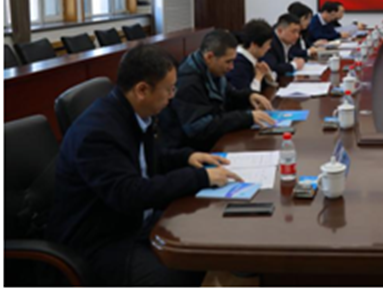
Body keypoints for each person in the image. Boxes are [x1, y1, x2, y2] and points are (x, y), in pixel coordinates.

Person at [48, 45, 243, 286]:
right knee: (181, 268)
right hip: (100, 241)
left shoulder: (132, 113)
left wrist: (187, 157)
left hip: (133, 222)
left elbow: (146, 159)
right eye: (169, 89)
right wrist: (200, 178)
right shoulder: (98, 133)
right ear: (142, 90)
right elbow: (131, 193)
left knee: (205, 234)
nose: (172, 96)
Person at [161, 30, 275, 152]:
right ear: (209, 57)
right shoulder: (188, 82)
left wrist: (249, 96)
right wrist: (246, 118)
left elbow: (228, 95)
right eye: (228, 61)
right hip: (192, 151)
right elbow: (200, 128)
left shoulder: (213, 70)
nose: (232, 67)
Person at [227, 19, 277, 91]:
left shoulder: (255, 58)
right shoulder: (238, 64)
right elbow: (246, 95)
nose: (269, 47)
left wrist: (268, 76)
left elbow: (272, 85)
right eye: (268, 44)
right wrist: (258, 77)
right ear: (254, 45)